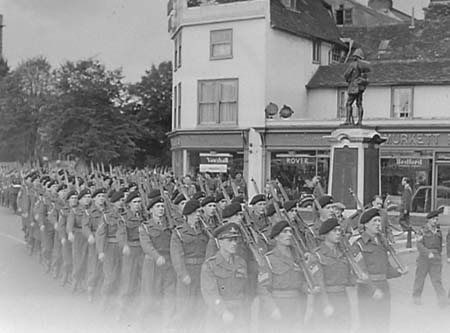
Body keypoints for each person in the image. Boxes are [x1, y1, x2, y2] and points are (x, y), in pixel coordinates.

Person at [352, 208, 404, 333]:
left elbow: (386, 268)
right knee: (368, 324)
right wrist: (373, 289)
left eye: (379, 221)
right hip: (368, 290)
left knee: (383, 323)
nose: (377, 224)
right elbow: (360, 272)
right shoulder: (358, 245)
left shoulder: (381, 242)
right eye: (374, 221)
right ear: (365, 224)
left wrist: (398, 271)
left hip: (384, 287)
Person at [257, 220, 307, 333]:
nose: (289, 234)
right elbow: (263, 288)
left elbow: (300, 281)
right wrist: (272, 309)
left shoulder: (297, 257)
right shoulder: (269, 259)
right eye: (285, 232)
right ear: (276, 237)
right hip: (278, 304)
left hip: (296, 305)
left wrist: (307, 288)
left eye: (290, 232)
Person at [201, 222, 249, 333]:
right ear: (221, 243)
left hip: (240, 313)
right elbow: (210, 293)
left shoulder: (241, 262)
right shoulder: (210, 265)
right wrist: (223, 311)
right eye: (230, 240)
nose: (234, 244)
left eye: (235, 240)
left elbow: (245, 289)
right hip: (219, 315)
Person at [170, 199, 209, 332]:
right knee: (185, 307)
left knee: (201, 306)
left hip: (202, 272)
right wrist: (183, 275)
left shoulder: (205, 231)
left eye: (199, 212)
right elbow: (177, 256)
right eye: (195, 212)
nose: (198, 215)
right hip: (188, 272)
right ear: (187, 215)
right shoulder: (179, 232)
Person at [139, 196, 176, 331]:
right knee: (150, 295)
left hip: (168, 263)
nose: (161, 209)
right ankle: (145, 325)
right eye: (157, 207)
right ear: (150, 210)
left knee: (169, 294)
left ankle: (167, 325)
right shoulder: (145, 227)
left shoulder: (170, 225)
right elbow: (146, 245)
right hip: (152, 264)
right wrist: (157, 256)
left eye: (162, 206)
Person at [313, 217, 355, 333]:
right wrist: (326, 303)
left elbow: (349, 278)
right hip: (325, 298)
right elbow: (319, 281)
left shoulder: (343, 253)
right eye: (334, 231)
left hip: (342, 298)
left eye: (339, 231)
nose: (338, 233)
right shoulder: (318, 255)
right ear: (326, 234)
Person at [96, 189, 124, 312]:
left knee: (121, 276)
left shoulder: (126, 215)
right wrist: (101, 251)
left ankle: (117, 302)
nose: (121, 203)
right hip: (110, 248)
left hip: (122, 249)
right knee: (110, 276)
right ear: (113, 203)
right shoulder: (106, 216)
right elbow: (100, 234)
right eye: (119, 201)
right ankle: (104, 301)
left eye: (123, 201)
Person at [413, 209, 446, 307]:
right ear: (429, 220)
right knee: (420, 278)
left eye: (437, 219)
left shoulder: (438, 231)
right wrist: (428, 253)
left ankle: (442, 300)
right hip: (424, 259)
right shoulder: (422, 231)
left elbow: (439, 246)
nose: (435, 221)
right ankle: (416, 298)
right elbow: (419, 245)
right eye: (434, 219)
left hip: (435, 259)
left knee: (437, 280)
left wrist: (438, 256)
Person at [82, 188, 107, 302]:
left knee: (107, 267)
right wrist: (90, 236)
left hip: (107, 242)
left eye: (103, 196)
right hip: (95, 242)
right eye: (99, 196)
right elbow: (85, 226)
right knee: (94, 267)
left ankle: (103, 291)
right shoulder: (89, 212)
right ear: (94, 199)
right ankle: (90, 289)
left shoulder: (109, 211)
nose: (101, 198)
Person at [343, 48, 370, 126]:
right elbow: (366, 78)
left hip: (354, 86)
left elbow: (346, 74)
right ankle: (360, 121)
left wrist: (348, 80)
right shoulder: (364, 66)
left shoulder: (353, 64)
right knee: (359, 104)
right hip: (360, 87)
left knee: (348, 103)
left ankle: (348, 120)